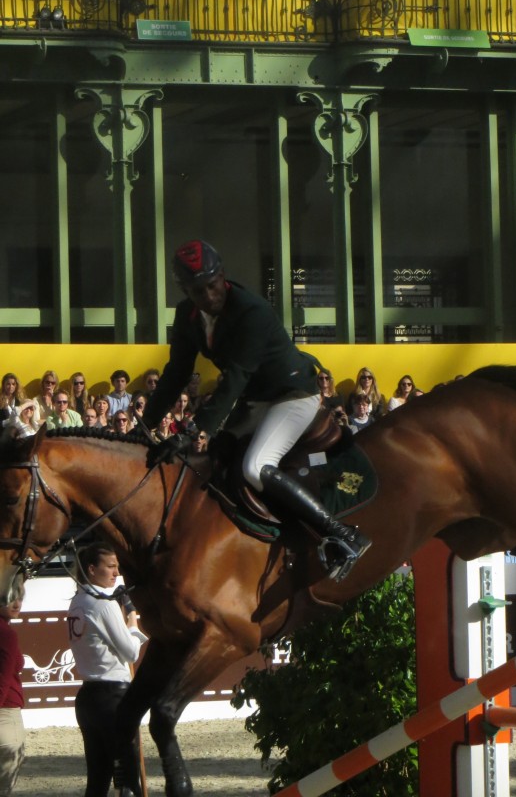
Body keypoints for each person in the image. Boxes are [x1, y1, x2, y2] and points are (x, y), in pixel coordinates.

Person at [142, 240, 370, 581]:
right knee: (210, 461)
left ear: (223, 276)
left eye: (212, 285)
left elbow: (235, 378)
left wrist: (194, 429)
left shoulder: (252, 311)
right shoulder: (185, 315)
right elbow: (176, 374)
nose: (208, 296)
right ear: (185, 290)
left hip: (292, 395)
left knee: (254, 466)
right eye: (198, 291)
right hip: (257, 399)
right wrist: (144, 426)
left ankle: (342, 534)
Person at [67, 542, 147, 797]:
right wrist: (132, 617)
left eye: (117, 567)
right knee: (127, 780)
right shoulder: (102, 603)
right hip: (113, 697)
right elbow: (131, 652)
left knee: (98, 780)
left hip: (89, 698)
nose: (115, 573)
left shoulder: (78, 600)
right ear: (92, 569)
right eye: (110, 567)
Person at [0, 577, 25, 797]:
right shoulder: (7, 634)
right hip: (5, 712)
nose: (17, 604)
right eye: (10, 598)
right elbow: (4, 678)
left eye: (20, 597)